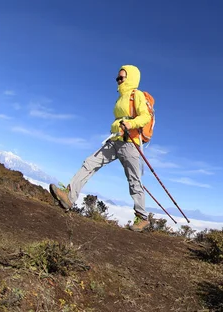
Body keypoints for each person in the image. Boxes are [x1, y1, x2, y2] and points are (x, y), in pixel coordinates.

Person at [49, 65, 152, 232]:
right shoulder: (120, 98)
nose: (118, 80)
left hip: (130, 143)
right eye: (117, 78)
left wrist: (130, 123)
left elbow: (145, 117)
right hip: (115, 140)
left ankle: (142, 218)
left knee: (134, 180)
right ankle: (69, 196)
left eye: (121, 78)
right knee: (90, 162)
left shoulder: (136, 95)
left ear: (131, 78)